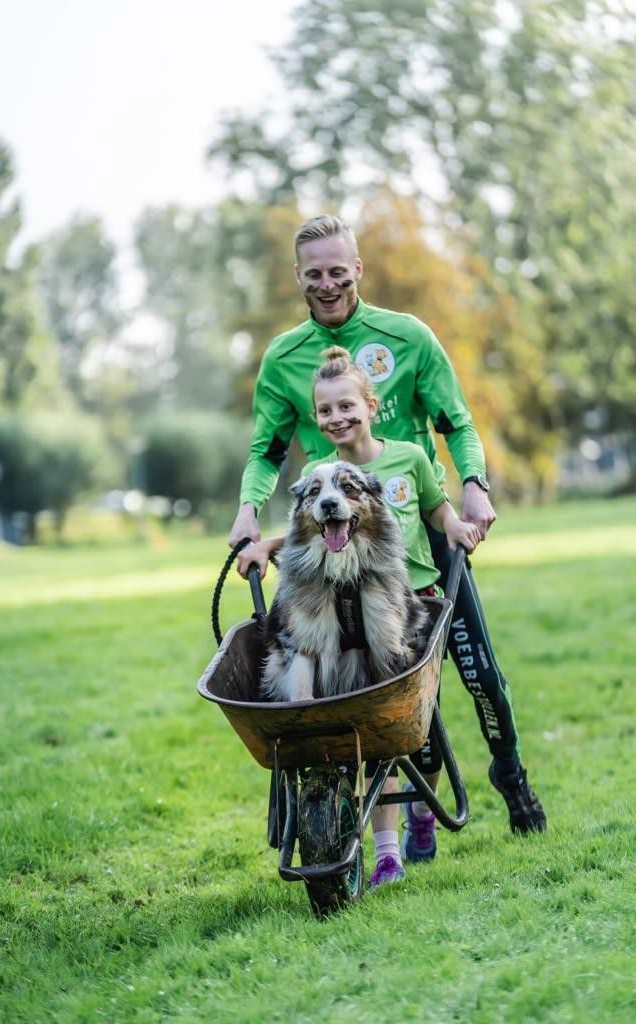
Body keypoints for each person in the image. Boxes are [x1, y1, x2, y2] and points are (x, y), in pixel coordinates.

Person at [229, 214, 546, 843]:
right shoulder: (284, 358)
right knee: (390, 688)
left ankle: (512, 778)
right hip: (349, 557)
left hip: (425, 546)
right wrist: (248, 510)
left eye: (337, 270)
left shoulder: (408, 337)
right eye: (313, 274)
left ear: (358, 268)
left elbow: (455, 419)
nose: (327, 283)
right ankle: (402, 822)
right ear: (298, 276)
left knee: (479, 673)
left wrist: (474, 486)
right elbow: (267, 449)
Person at [239, 346, 481, 886]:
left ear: (371, 404)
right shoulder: (321, 480)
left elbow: (436, 507)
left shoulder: (406, 460)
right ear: (318, 418)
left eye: (347, 406)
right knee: (305, 656)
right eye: (325, 411)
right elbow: (310, 528)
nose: (337, 417)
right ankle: (363, 827)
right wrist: (263, 541)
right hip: (326, 639)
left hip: (411, 592)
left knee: (406, 725)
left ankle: (403, 834)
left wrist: (457, 523)